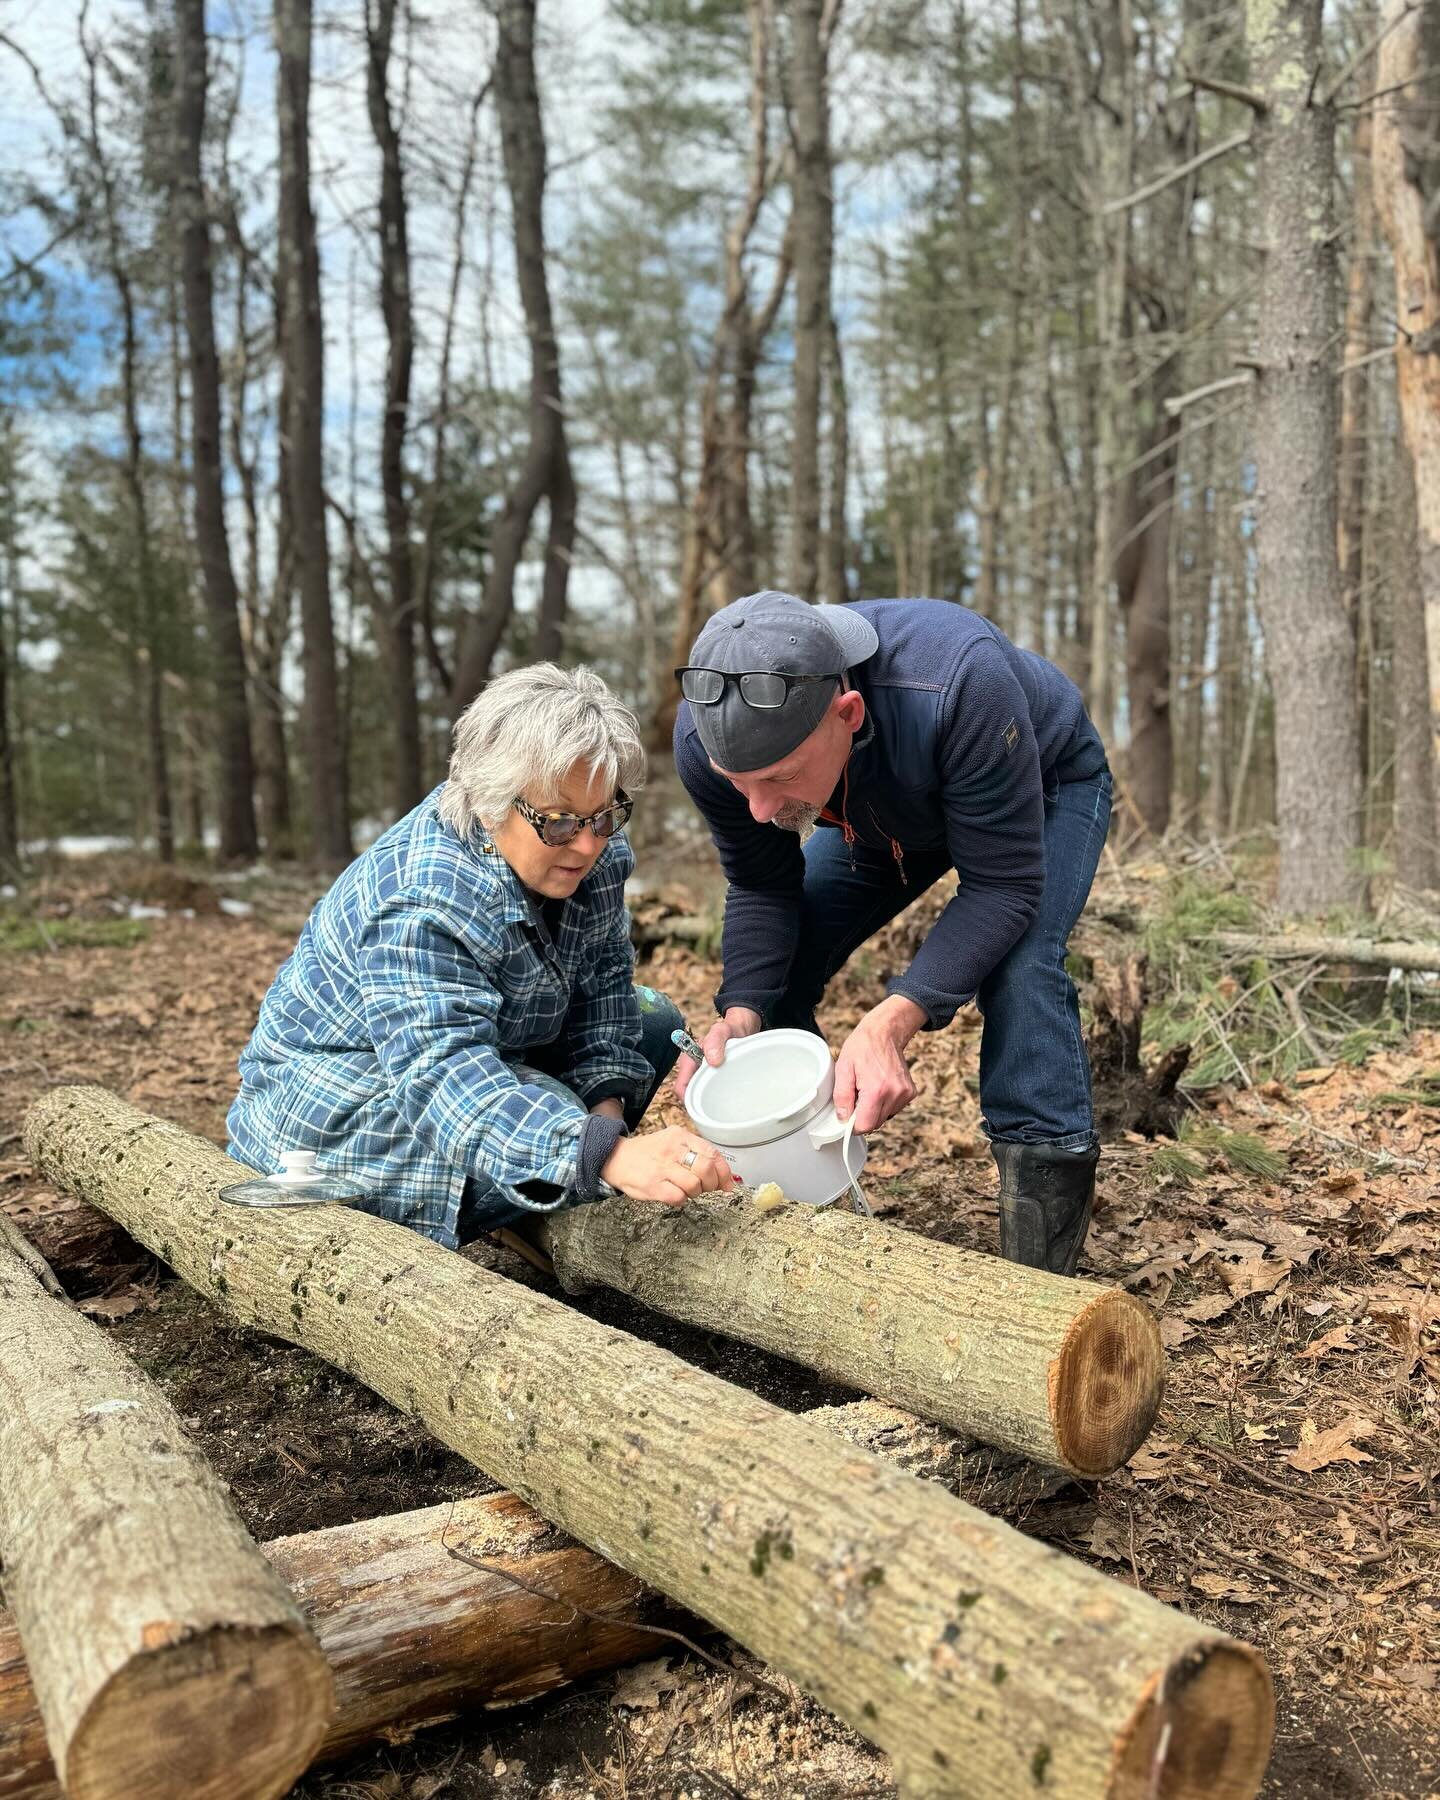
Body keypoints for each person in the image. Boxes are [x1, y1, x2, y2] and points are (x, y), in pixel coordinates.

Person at [672, 591, 1112, 1276]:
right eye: (740, 786)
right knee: (774, 975)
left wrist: (893, 1019)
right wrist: (741, 1012)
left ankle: (1038, 1272)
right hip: (871, 813)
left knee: (1019, 967)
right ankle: (803, 1211)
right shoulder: (709, 735)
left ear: (846, 714)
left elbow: (1003, 888)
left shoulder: (960, 681)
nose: (758, 812)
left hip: (1039, 781)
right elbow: (763, 885)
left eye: (777, 779)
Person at [230, 663, 731, 1248]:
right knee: (553, 1114)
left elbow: (603, 988)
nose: (589, 844)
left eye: (603, 816)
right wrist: (606, 1156)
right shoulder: (423, 901)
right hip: (338, 1105)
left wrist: (607, 1118)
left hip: (492, 1050)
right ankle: (504, 1207)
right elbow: (444, 1077)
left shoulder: (592, 843)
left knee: (653, 1022)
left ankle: (526, 1203)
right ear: (491, 803)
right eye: (560, 822)